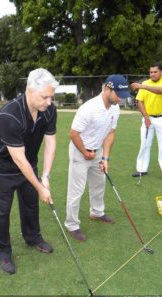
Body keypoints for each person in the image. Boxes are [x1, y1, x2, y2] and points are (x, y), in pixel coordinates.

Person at [0, 68, 59, 274]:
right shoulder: (10, 114)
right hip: (2, 168)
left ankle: (33, 237)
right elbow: (18, 159)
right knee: (1, 212)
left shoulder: (49, 110)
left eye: (51, 97)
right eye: (44, 97)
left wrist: (45, 177)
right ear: (29, 90)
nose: (48, 102)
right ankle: (2, 251)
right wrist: (40, 188)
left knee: (31, 204)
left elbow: (51, 142)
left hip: (30, 163)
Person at [64, 74, 131, 241]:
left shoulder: (115, 108)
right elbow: (73, 134)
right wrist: (85, 152)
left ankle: (96, 212)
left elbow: (110, 133)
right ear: (107, 89)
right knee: (76, 190)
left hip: (98, 151)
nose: (121, 100)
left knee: (99, 184)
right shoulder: (89, 108)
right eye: (118, 95)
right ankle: (72, 224)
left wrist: (105, 158)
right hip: (80, 151)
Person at [131, 62, 162, 184]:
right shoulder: (145, 83)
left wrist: (142, 86)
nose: (152, 74)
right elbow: (139, 101)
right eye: (151, 72)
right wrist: (146, 118)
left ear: (161, 72)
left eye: (155, 72)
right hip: (148, 118)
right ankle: (141, 169)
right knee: (145, 143)